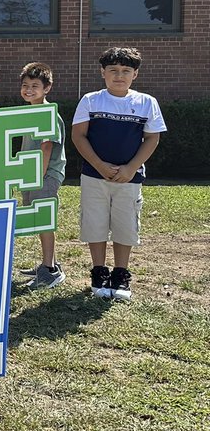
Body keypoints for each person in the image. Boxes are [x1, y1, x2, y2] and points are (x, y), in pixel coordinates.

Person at [71, 47, 166, 302]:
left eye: (126, 71)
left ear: (135, 74)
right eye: (113, 70)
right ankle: (99, 271)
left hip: (129, 178)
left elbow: (151, 139)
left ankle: (121, 274)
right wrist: (100, 165)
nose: (119, 76)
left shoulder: (146, 102)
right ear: (103, 72)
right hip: (94, 175)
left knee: (125, 226)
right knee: (96, 223)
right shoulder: (91, 100)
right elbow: (78, 136)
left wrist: (131, 167)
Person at [18, 62, 67, 291]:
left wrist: (37, 176)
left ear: (47, 88)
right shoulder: (29, 111)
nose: (29, 90)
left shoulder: (49, 114)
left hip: (44, 175)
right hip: (32, 174)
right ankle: (50, 264)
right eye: (25, 85)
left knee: (44, 219)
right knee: (39, 220)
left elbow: (47, 147)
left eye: (35, 86)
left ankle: (49, 271)